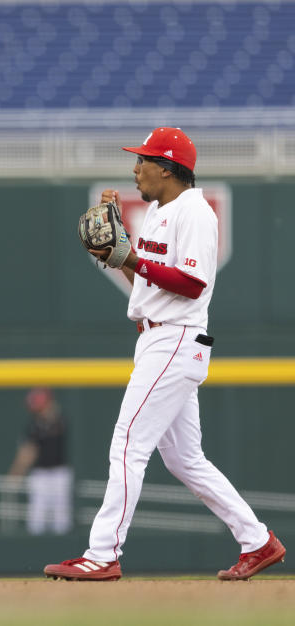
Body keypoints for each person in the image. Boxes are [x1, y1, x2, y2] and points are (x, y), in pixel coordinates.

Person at [44, 127, 285, 582]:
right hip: (158, 337)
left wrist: (129, 258)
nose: (135, 169)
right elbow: (153, 281)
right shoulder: (158, 211)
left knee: (128, 443)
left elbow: (192, 283)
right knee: (184, 459)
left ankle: (102, 554)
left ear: (168, 168)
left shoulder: (194, 211)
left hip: (175, 338)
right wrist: (119, 258)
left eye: (143, 161)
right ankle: (258, 541)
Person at [6, 387, 72, 535]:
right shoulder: (33, 426)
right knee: (37, 517)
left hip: (59, 473)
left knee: (61, 518)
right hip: (40, 475)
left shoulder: (60, 420)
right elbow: (27, 452)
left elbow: (55, 419)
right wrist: (16, 472)